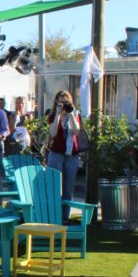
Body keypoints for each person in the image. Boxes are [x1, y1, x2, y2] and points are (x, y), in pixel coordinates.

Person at [46, 90, 87, 221]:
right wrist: (58, 115)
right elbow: (52, 134)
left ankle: (65, 217)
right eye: (61, 102)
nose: (63, 104)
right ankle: (55, 216)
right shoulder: (53, 116)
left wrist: (70, 115)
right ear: (56, 102)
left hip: (72, 154)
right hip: (56, 153)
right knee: (55, 187)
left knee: (68, 188)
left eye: (66, 102)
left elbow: (76, 131)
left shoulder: (75, 114)